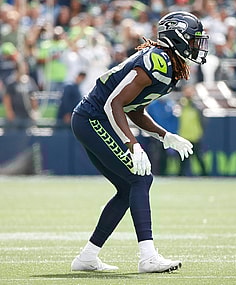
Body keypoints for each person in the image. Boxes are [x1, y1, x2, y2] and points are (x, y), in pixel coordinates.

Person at [70, 11, 208, 273]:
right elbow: (114, 104)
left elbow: (134, 108)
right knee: (141, 179)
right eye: (192, 39)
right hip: (93, 118)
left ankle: (87, 257)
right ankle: (147, 256)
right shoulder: (157, 60)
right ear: (177, 37)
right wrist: (132, 143)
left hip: (94, 118)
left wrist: (164, 134)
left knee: (127, 188)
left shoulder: (169, 65)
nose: (195, 46)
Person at [178, 84, 207, 176]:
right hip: (184, 135)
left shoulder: (196, 105)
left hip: (195, 135)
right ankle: (180, 175)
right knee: (183, 158)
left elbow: (202, 121)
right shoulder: (182, 104)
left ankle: (205, 174)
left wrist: (200, 132)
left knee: (199, 157)